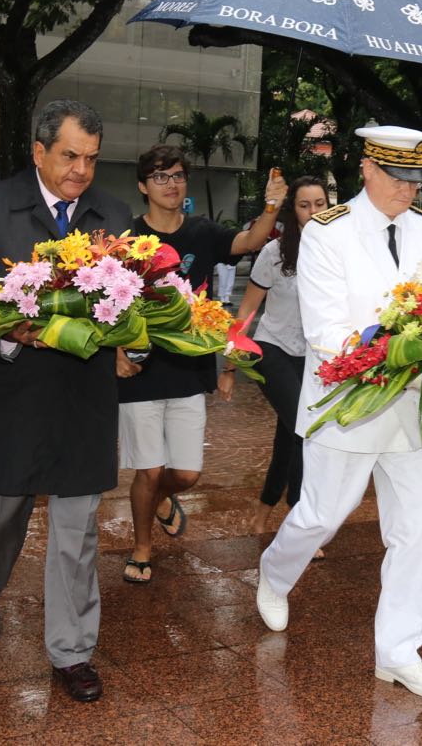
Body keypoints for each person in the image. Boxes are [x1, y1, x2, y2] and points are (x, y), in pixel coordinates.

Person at [257, 126, 422, 701]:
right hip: (348, 401)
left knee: (415, 528)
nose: (407, 190)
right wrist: (396, 353)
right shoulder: (328, 232)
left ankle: (399, 652)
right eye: (397, 178)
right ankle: (274, 573)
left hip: (415, 403)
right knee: (322, 515)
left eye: (416, 180)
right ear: (367, 168)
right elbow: (325, 330)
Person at [0, 100, 130, 703]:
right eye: (70, 156)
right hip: (11, 390)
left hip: (83, 396)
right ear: (38, 152)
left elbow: (136, 297)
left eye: (91, 160)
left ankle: (72, 651)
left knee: (76, 531)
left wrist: (134, 341)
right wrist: (8, 328)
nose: (81, 170)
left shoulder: (114, 216)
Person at [118, 146, 286, 583]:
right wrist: (118, 353)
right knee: (149, 468)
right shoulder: (128, 242)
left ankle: (159, 498)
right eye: (160, 177)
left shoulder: (202, 232)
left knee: (187, 475)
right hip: (141, 370)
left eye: (177, 176)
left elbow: (249, 241)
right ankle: (141, 548)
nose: (171, 184)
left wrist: (272, 204)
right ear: (143, 186)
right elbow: (108, 306)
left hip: (190, 368)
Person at [218, 177, 329, 540]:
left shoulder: (338, 253)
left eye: (319, 204)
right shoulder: (275, 253)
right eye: (304, 205)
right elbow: (246, 311)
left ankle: (262, 514)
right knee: (305, 429)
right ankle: (299, 524)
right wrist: (231, 367)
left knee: (289, 438)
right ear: (292, 210)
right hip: (273, 350)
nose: (313, 212)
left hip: (312, 358)